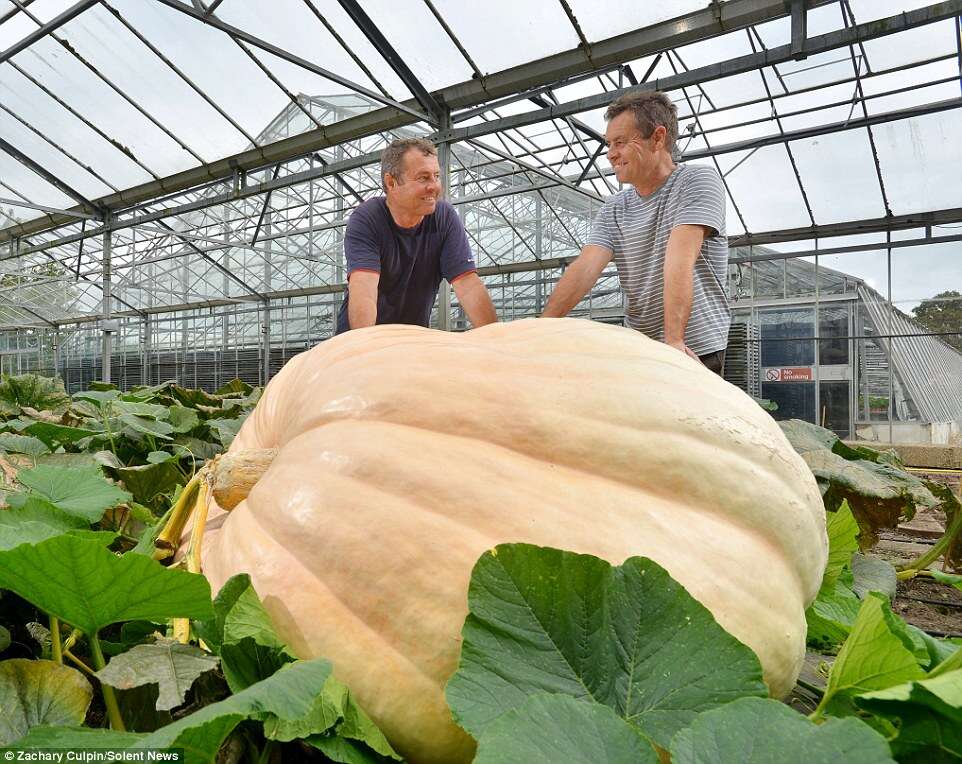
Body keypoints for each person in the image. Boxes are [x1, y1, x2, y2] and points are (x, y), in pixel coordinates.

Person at [542, 91, 731, 374]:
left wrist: (674, 341)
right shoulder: (615, 208)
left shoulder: (697, 181)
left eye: (620, 142)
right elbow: (585, 269)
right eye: (609, 144)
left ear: (657, 138)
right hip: (642, 349)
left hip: (693, 349)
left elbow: (679, 259)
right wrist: (540, 329)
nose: (610, 153)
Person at [335, 137, 497, 334]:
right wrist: (365, 346)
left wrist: (495, 338)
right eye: (423, 178)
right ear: (391, 182)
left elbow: (468, 285)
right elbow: (364, 291)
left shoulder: (443, 217)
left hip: (411, 337)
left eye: (436, 176)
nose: (434, 186)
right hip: (365, 338)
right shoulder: (367, 219)